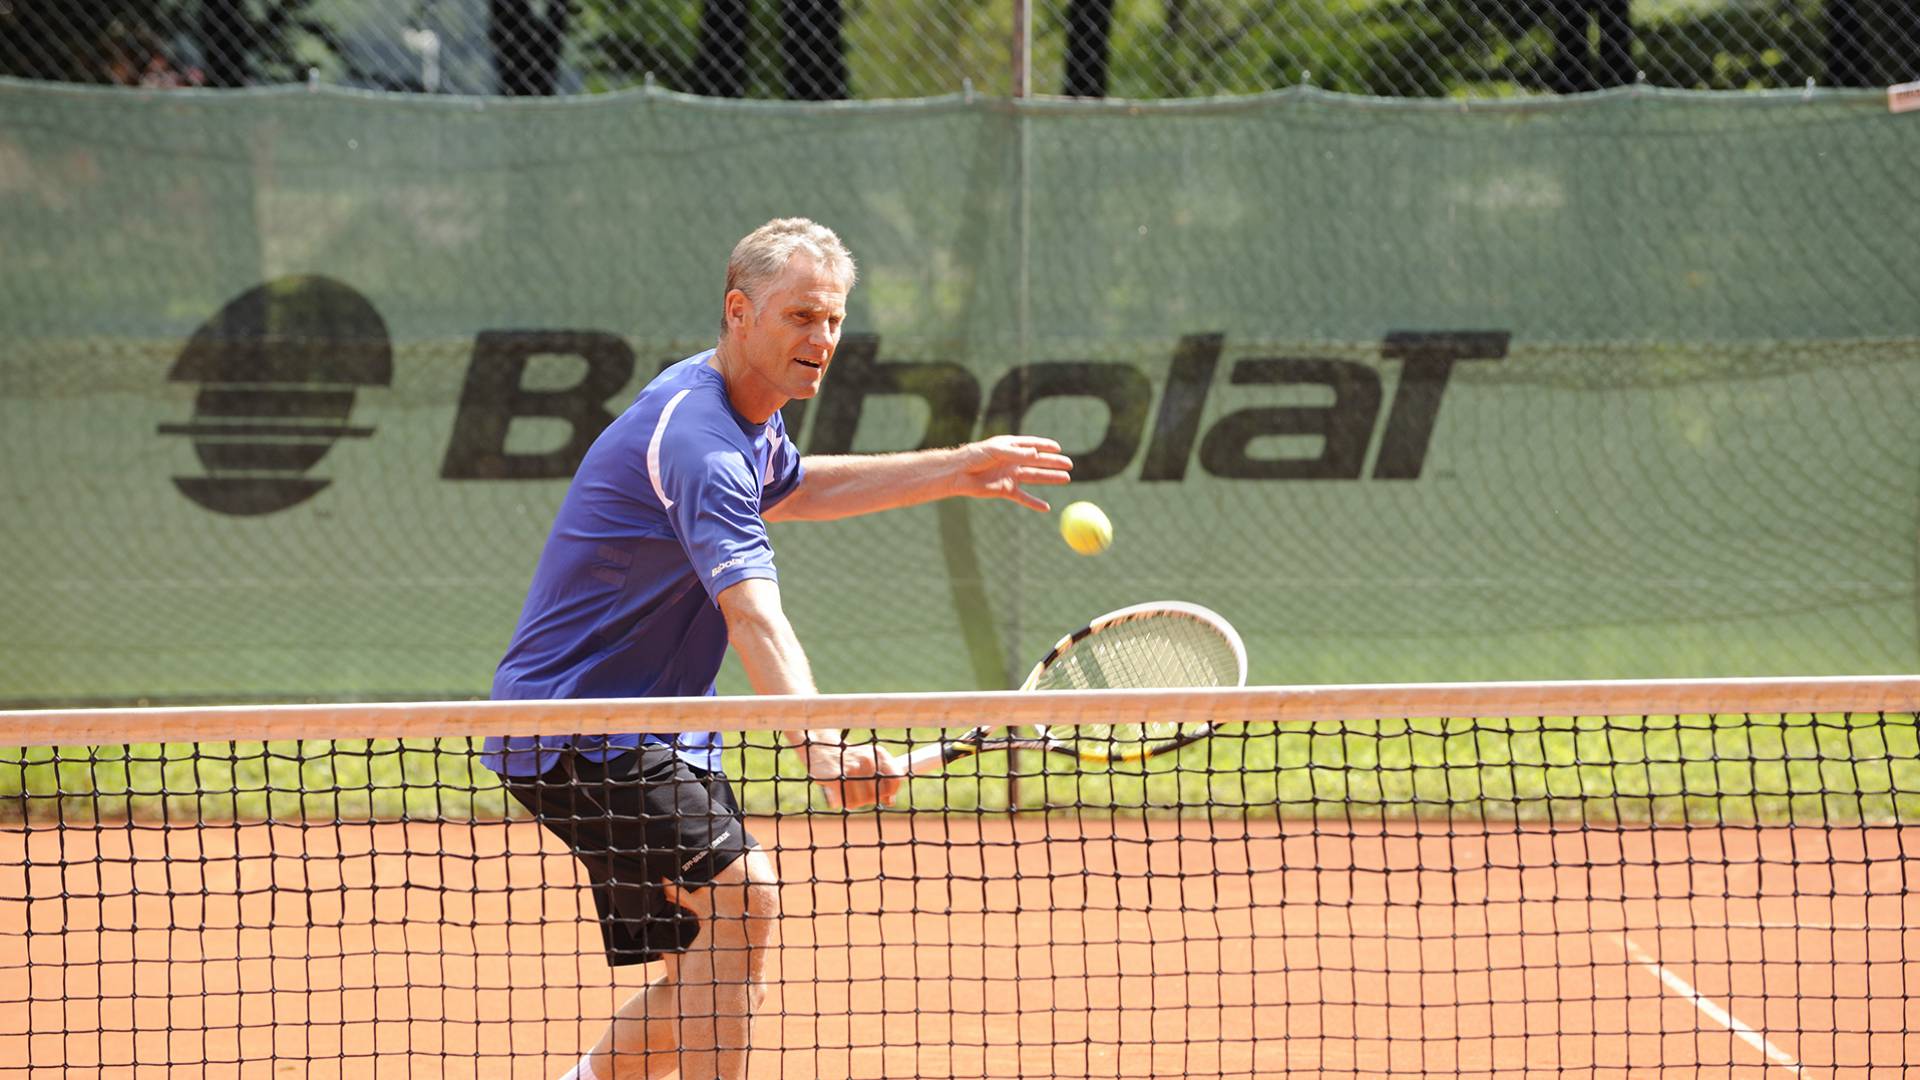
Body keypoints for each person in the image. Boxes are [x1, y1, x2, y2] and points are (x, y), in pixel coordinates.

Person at [479, 217, 1074, 1080]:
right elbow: (755, 615)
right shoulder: (700, 439)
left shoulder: (740, 415)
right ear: (739, 311)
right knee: (744, 896)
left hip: (657, 727)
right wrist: (824, 750)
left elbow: (790, 487)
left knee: (717, 966)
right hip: (575, 730)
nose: (821, 339)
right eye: (800, 316)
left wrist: (957, 468)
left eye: (832, 319)